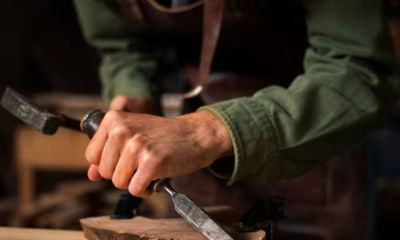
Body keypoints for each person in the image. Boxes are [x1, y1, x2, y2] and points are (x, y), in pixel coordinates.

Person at [74, 0, 399, 199]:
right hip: (194, 165)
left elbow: (359, 72)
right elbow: (122, 43)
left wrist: (207, 132)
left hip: (320, 141)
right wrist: (134, 93)